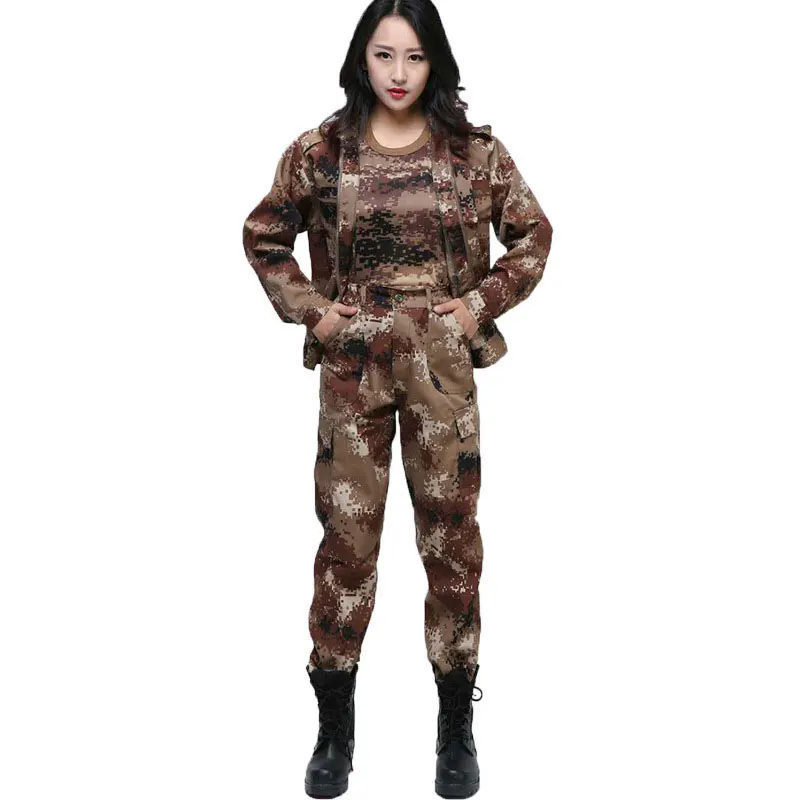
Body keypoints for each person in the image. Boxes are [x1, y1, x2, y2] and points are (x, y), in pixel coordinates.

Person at [241, 1, 553, 796]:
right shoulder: (320, 152)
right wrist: (316, 311)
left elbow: (534, 236)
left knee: (451, 543)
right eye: (384, 55)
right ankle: (333, 729)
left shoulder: (472, 153)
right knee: (347, 546)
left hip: (441, 369)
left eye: (414, 57)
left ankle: (455, 727)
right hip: (353, 370)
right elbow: (264, 236)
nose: (399, 74)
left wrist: (477, 307)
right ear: (362, 59)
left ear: (435, 61)